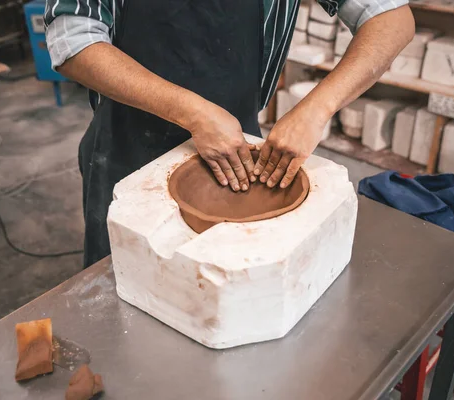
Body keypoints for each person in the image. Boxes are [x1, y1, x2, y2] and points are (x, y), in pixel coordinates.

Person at [44, 0, 415, 268]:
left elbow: (391, 19)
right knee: (127, 280)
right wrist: (191, 111)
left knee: (233, 282)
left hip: (236, 140)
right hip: (125, 143)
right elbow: (72, 40)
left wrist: (318, 108)